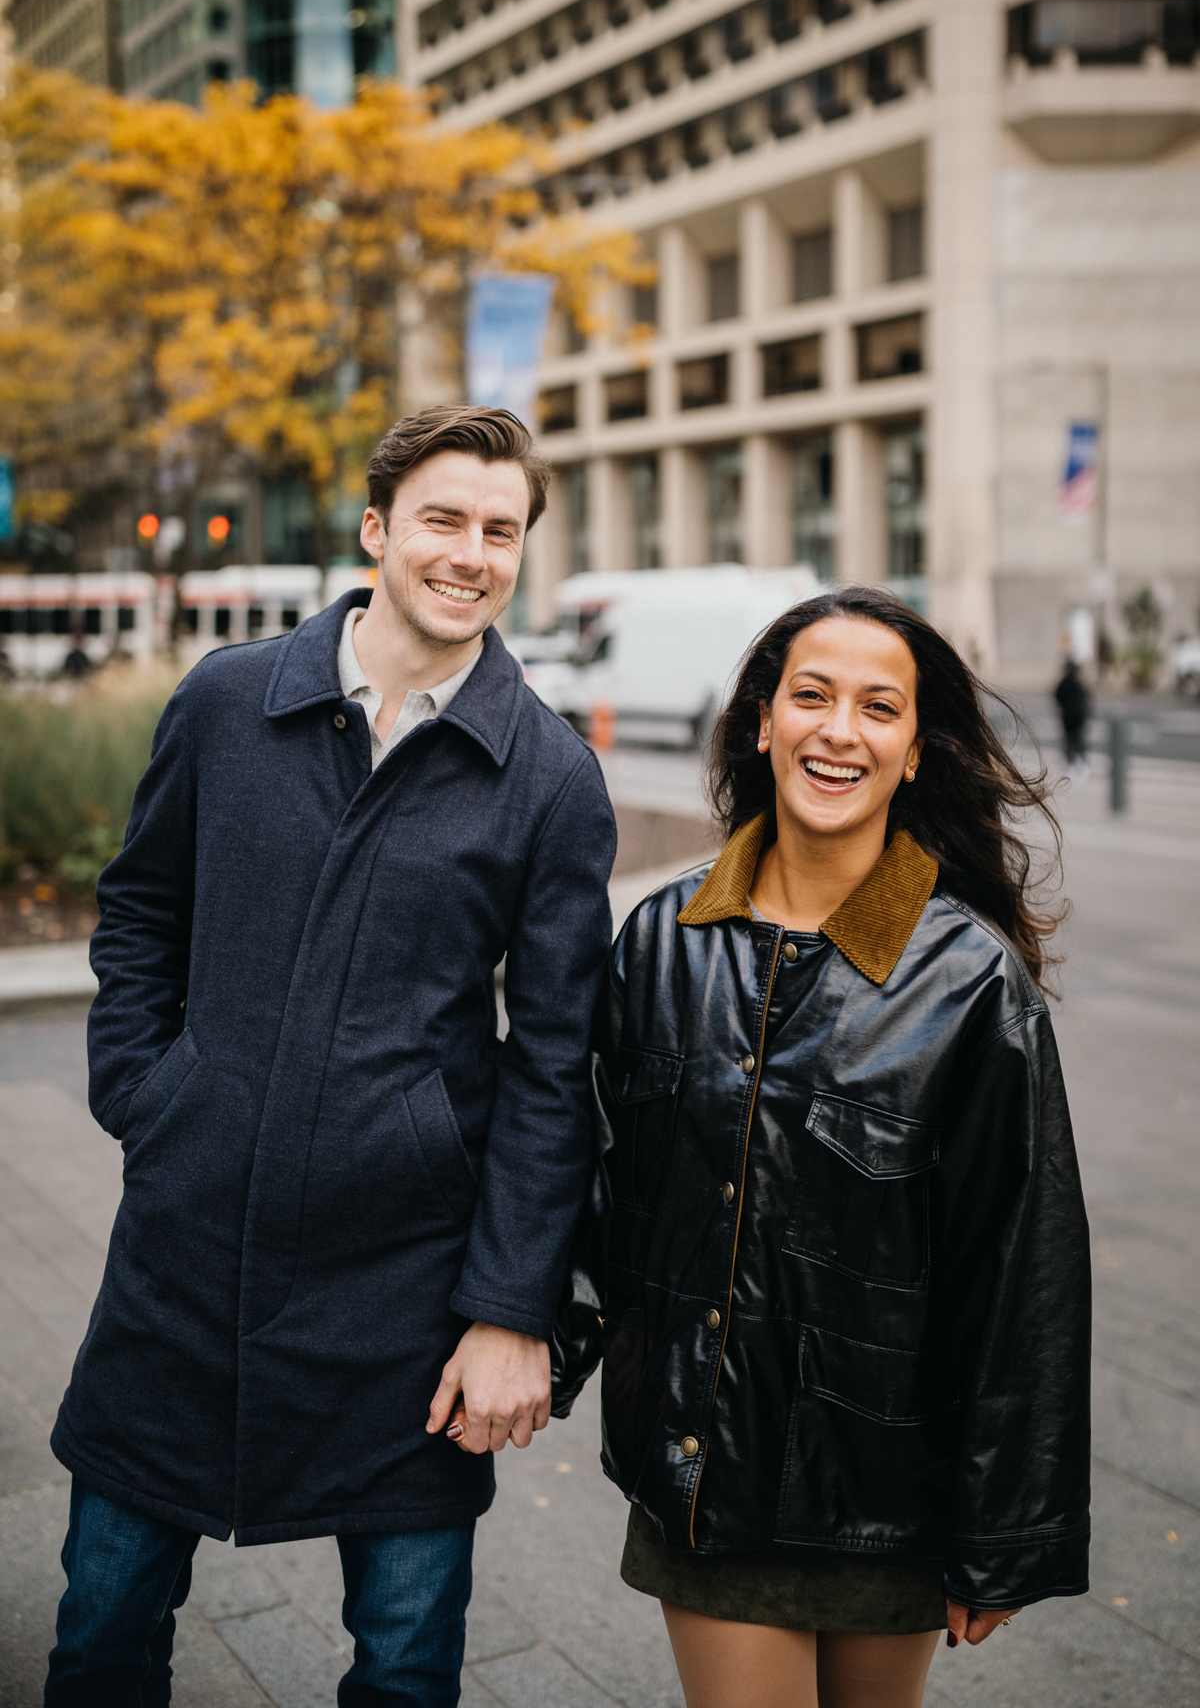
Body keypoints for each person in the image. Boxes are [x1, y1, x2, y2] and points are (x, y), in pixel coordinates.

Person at [45, 406, 618, 1706]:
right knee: (103, 1633)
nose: (471, 553)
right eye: (443, 520)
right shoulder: (226, 703)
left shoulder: (547, 776)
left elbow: (554, 1056)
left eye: (501, 530)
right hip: (184, 1256)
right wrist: (151, 1093)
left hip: (405, 1290)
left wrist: (512, 1305)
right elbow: (141, 910)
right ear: (376, 531)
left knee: (407, 1665)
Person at [553, 586, 1090, 1708]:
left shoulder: (973, 982)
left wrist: (1010, 1529)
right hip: (708, 1468)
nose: (839, 730)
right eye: (811, 695)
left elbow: (1022, 1274)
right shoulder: (661, 943)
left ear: (912, 752)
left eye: (877, 708)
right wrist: (526, 1345)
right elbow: (596, 1187)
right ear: (762, 721)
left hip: (892, 1489)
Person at [1054, 657, 1090, 777]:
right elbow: (1087, 699)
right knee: (1078, 738)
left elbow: (1057, 696)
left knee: (1070, 739)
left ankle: (1071, 761)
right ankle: (1080, 761)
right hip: (1078, 716)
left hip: (1068, 716)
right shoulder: (1079, 683)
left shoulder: (1064, 683)